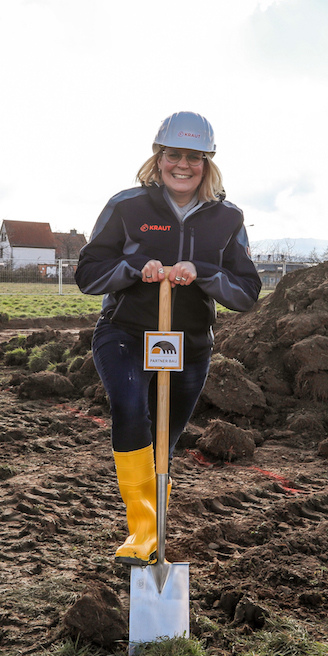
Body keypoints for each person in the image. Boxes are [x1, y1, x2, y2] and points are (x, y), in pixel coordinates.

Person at [76, 111, 262, 566]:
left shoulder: (227, 217)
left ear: (207, 162)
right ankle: (142, 532)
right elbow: (88, 273)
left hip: (190, 344)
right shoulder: (127, 206)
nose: (182, 165)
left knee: (166, 439)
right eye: (172, 155)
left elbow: (247, 292)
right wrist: (134, 270)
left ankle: (154, 524)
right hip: (125, 333)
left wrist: (204, 273)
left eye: (193, 157)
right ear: (158, 158)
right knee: (128, 406)